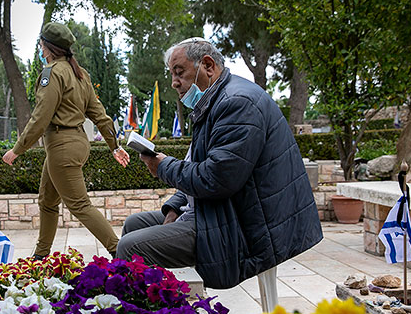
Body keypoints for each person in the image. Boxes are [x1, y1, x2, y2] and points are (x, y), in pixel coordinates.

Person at [116, 38, 323, 289]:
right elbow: (201, 165)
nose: (174, 83)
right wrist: (174, 207)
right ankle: (146, 308)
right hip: (219, 211)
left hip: (245, 226)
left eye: (179, 73)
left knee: (131, 247)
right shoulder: (214, 102)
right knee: (133, 224)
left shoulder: (237, 103)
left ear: (208, 66)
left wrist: (163, 167)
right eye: (172, 74)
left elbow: (216, 179)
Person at [2, 22, 130, 259]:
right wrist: (114, 145)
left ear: (48, 48)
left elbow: (41, 117)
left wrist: (17, 150)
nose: (40, 49)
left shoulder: (53, 73)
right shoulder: (80, 74)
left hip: (62, 145)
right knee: (47, 201)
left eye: (41, 45)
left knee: (80, 205)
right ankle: (40, 257)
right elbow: (100, 115)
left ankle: (121, 252)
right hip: (76, 143)